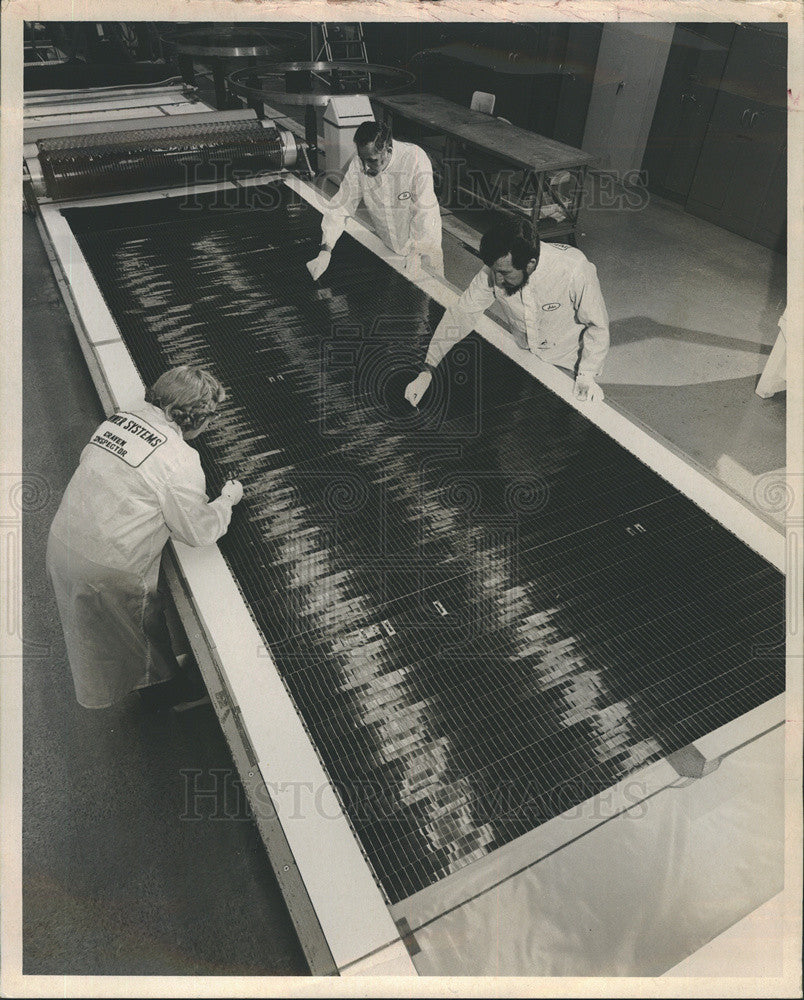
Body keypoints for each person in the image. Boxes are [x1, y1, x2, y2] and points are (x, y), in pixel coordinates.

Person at [46, 365, 244, 710]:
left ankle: (152, 680)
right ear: (192, 417)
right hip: (109, 566)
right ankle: (168, 694)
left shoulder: (118, 421)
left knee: (106, 633)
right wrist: (227, 500)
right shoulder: (179, 458)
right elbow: (198, 531)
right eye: (209, 418)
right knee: (138, 628)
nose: (209, 425)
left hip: (65, 540)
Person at [404, 214, 609, 406]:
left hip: (570, 365)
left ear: (530, 264)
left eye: (504, 273)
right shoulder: (496, 269)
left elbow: (597, 326)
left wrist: (586, 375)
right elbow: (462, 313)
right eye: (494, 271)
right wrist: (428, 369)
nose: (497, 280)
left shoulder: (574, 269)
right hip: (528, 358)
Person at [306, 120, 444, 280]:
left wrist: (417, 253)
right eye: (362, 159)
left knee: (429, 293)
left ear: (388, 150)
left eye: (372, 160)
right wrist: (325, 250)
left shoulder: (414, 160)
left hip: (423, 247)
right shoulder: (359, 164)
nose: (365, 167)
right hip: (389, 246)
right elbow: (341, 206)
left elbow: (424, 214)